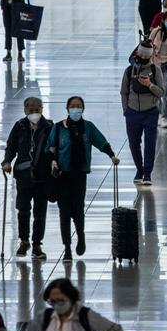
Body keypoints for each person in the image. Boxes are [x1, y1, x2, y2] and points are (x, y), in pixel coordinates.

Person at [47, 98, 119, 261]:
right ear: (67, 108)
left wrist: (112, 155)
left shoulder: (88, 128)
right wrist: (53, 160)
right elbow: (50, 147)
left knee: (78, 209)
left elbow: (101, 142)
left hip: (79, 175)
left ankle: (80, 236)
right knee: (64, 212)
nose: (76, 109)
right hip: (62, 175)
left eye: (79, 107)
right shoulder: (58, 128)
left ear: (83, 109)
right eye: (72, 107)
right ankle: (67, 248)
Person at [3, 98, 54, 259]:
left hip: (42, 176)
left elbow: (55, 148)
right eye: (30, 110)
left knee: (40, 212)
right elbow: (11, 146)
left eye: (37, 109)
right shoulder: (20, 126)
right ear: (25, 110)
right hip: (24, 176)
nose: (34, 113)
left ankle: (37, 244)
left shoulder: (49, 128)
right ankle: (24, 240)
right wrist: (7, 161)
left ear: (42, 109)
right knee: (23, 210)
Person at [121, 42, 164, 186]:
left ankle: (147, 173)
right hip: (132, 112)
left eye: (148, 55)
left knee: (150, 144)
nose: (145, 57)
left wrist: (149, 85)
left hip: (151, 112)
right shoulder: (129, 71)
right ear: (137, 53)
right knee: (134, 143)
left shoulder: (155, 70)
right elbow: (124, 92)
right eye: (142, 54)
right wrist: (126, 110)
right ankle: (139, 169)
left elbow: (161, 92)